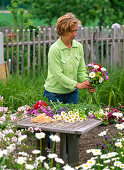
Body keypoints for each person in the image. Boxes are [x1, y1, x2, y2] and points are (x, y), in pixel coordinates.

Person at [43, 13, 95, 104]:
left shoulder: (78, 47)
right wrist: (77, 84)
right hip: (54, 94)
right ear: (63, 31)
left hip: (72, 94)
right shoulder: (55, 49)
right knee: (53, 119)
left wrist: (87, 82)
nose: (75, 34)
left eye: (76, 31)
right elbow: (58, 75)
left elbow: (81, 69)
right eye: (72, 31)